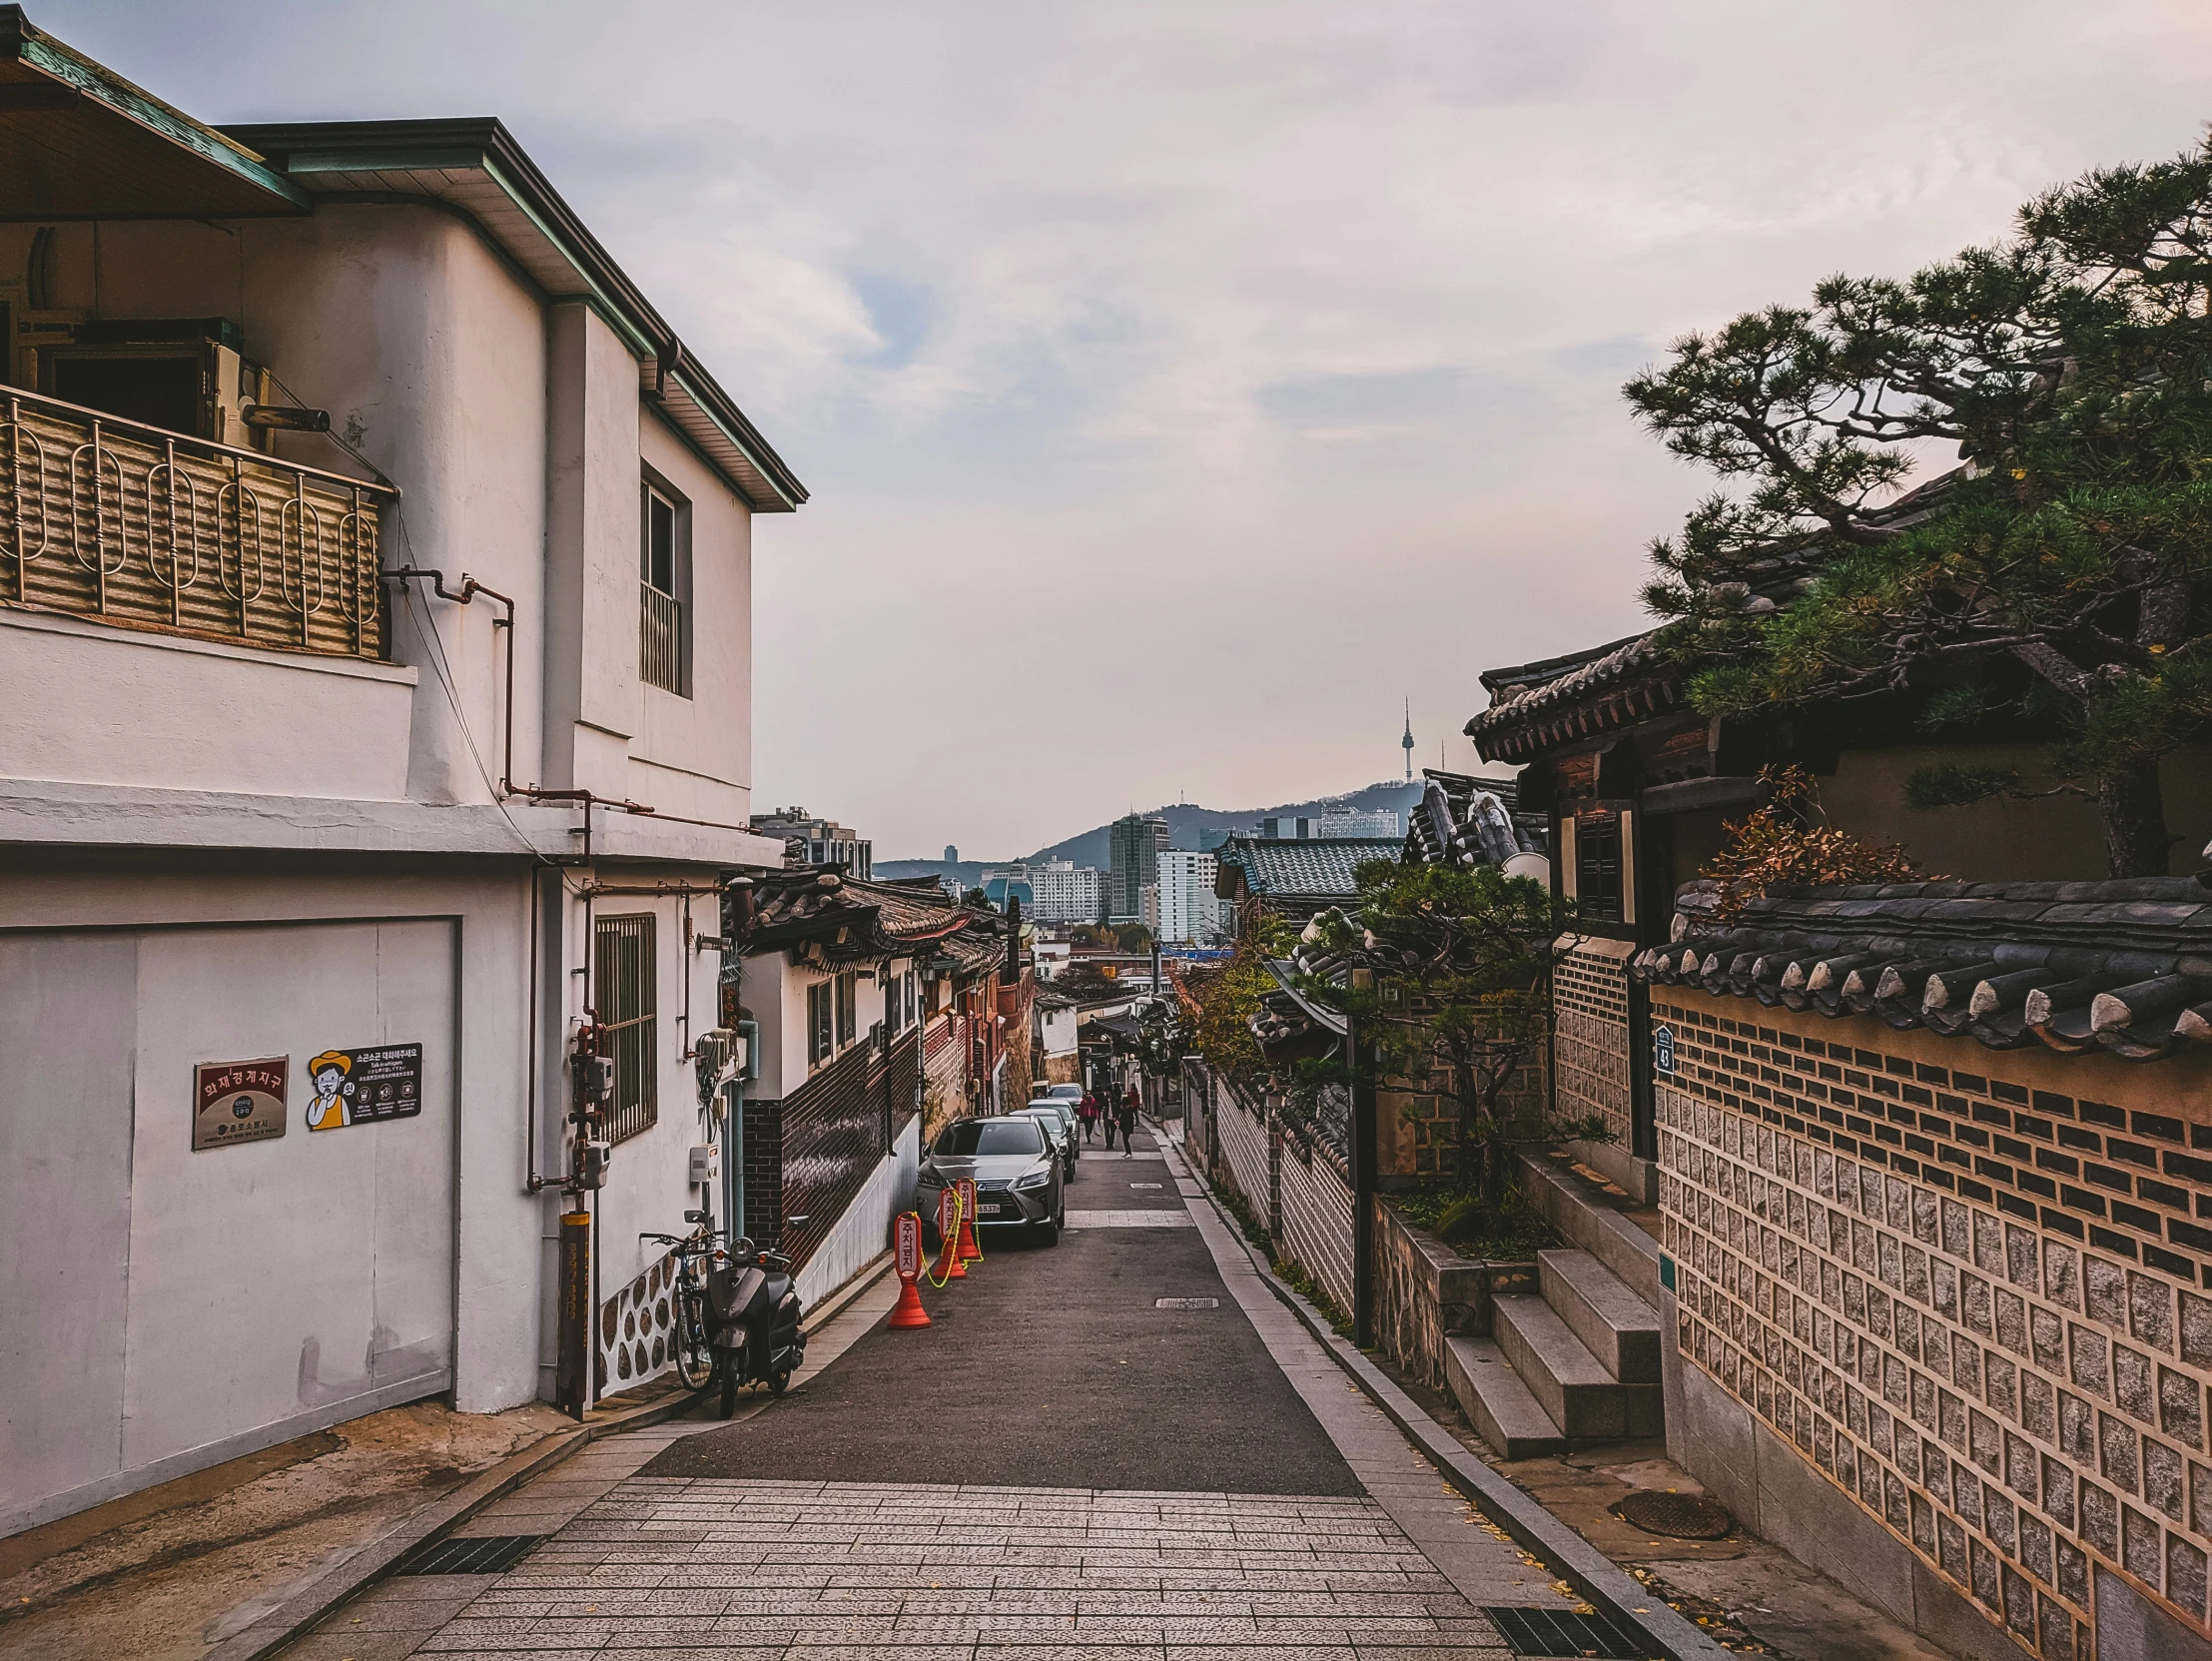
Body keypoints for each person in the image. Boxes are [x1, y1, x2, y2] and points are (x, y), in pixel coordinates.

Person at [1118, 1085, 1140, 1157]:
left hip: (1127, 1127)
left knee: (1125, 1140)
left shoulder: (1128, 1110)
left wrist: (1120, 1122)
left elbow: (1127, 1119)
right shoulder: (1125, 1109)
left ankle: (1129, 1152)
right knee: (1124, 1140)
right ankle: (1127, 1152)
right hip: (1125, 1127)